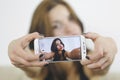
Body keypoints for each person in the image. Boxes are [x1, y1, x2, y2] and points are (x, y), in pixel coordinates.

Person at [8, 0, 117, 80]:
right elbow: (31, 68)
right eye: (56, 26)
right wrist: (13, 47)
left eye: (71, 18)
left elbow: (101, 70)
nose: (70, 28)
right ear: (43, 35)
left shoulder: (87, 57)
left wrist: (110, 44)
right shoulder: (43, 63)